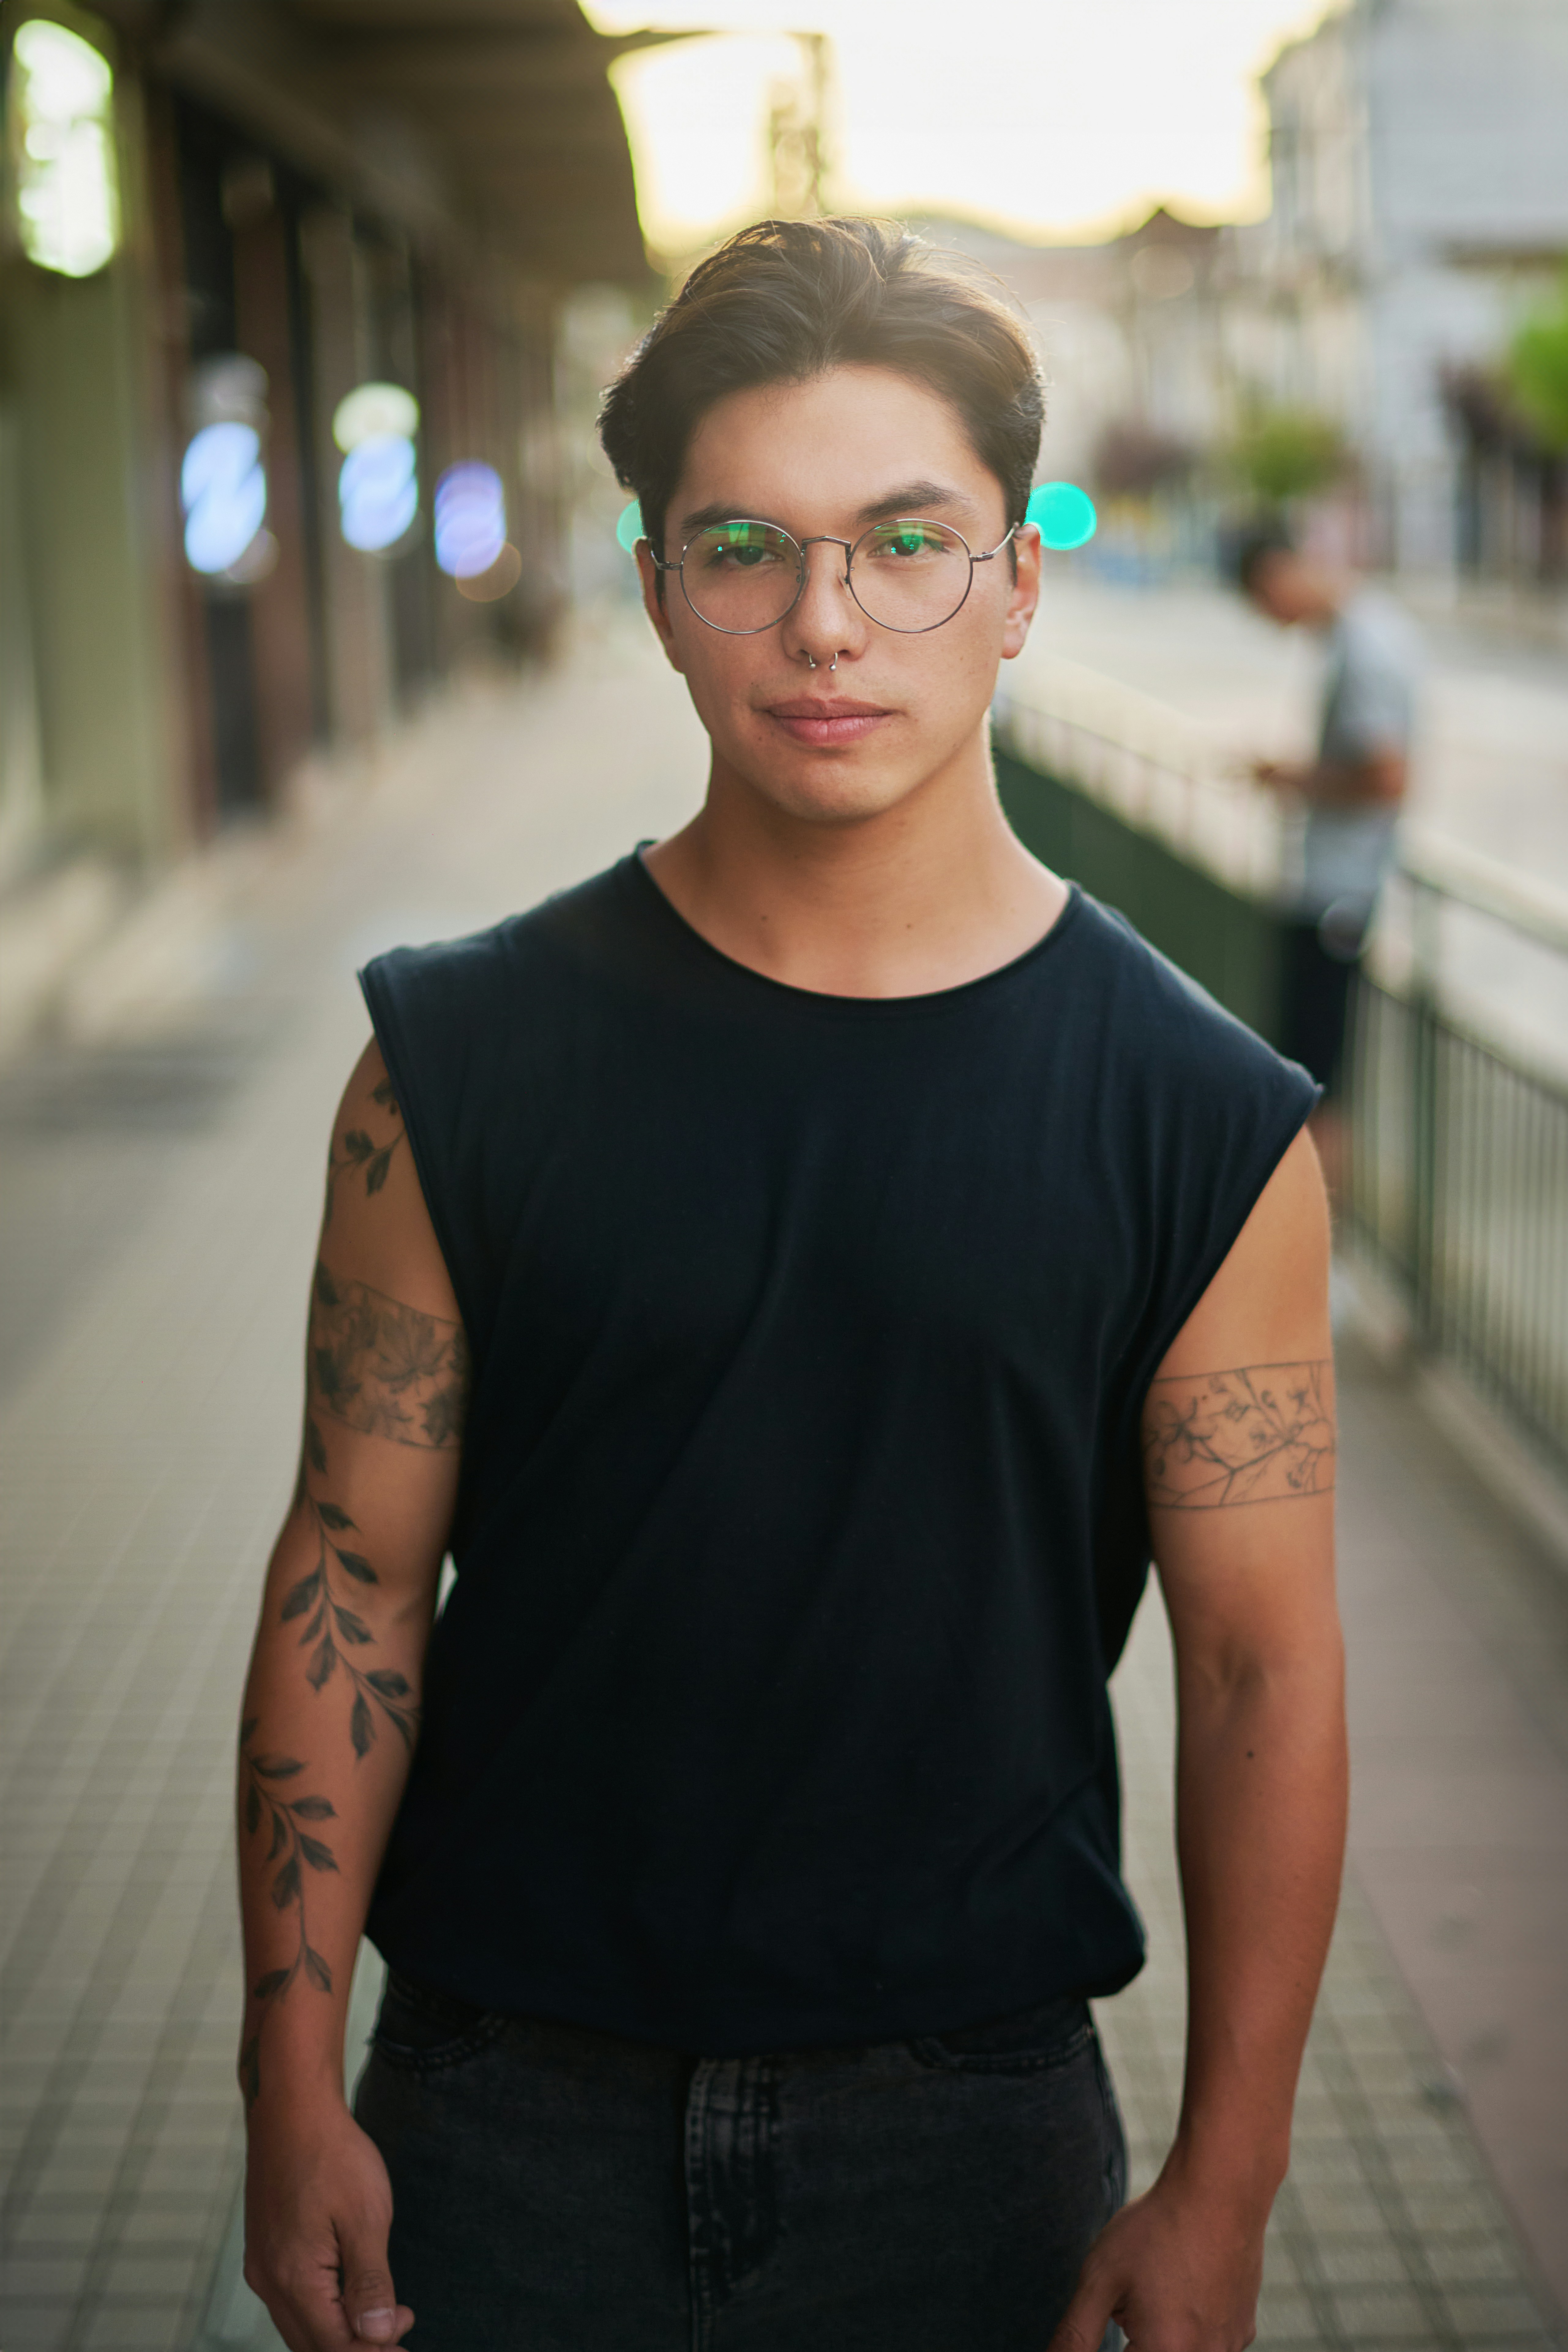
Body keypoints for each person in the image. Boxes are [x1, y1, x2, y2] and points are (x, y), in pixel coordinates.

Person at [239, 219, 1346, 2352]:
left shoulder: (1199, 1125)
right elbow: (348, 1583)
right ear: (656, 586)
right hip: (496, 2104)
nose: (826, 624)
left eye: (908, 543)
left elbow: (1261, 1680)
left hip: (977, 2123)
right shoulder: (453, 1066)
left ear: (1020, 582)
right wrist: (288, 2083)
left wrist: (1229, 2178)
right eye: (744, 544)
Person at [1232, 522, 1421, 1195]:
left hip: (1338, 895)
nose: (1270, 617)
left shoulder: (1366, 644)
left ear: (1280, 574)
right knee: (1313, 1072)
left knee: (1317, 1079)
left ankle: (1322, 1251)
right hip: (1332, 889)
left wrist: (1295, 780)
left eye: (1263, 600)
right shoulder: (1357, 632)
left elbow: (1388, 776)